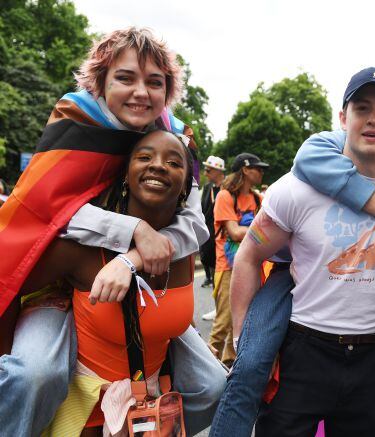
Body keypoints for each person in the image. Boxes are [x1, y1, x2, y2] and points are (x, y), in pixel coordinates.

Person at [211, 58, 375, 437]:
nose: (373, 119)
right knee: (249, 367)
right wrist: (243, 336)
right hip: (301, 334)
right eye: (362, 108)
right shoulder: (303, 180)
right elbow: (252, 254)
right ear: (342, 117)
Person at [0, 27, 226, 436]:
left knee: (212, 385)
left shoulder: (176, 136)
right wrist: (134, 228)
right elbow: (48, 212)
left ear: (168, 91)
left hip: (133, 280)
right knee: (34, 377)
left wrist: (133, 257)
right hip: (61, 282)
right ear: (100, 82)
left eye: (154, 82)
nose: (141, 92)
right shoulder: (75, 122)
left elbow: (194, 223)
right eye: (125, 78)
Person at [19, 130, 196, 435]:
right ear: (125, 176)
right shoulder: (80, 249)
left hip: (151, 414)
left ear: (185, 189)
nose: (158, 165)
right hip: (82, 415)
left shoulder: (186, 250)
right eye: (144, 157)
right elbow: (11, 285)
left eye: (174, 162)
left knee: (216, 384)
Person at [208, 152, 268, 367]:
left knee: (241, 321)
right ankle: (207, 368)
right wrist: (260, 231)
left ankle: (229, 365)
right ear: (245, 169)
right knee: (223, 322)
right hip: (227, 266)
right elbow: (233, 232)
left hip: (252, 265)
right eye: (257, 168)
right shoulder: (226, 196)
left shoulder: (258, 199)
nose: (262, 172)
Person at [200, 155, 226, 294]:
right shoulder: (207, 187)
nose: (205, 173)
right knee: (211, 265)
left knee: (223, 272)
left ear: (218, 171)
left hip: (224, 235)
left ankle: (222, 307)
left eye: (208, 170)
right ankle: (217, 304)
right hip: (209, 236)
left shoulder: (229, 187)